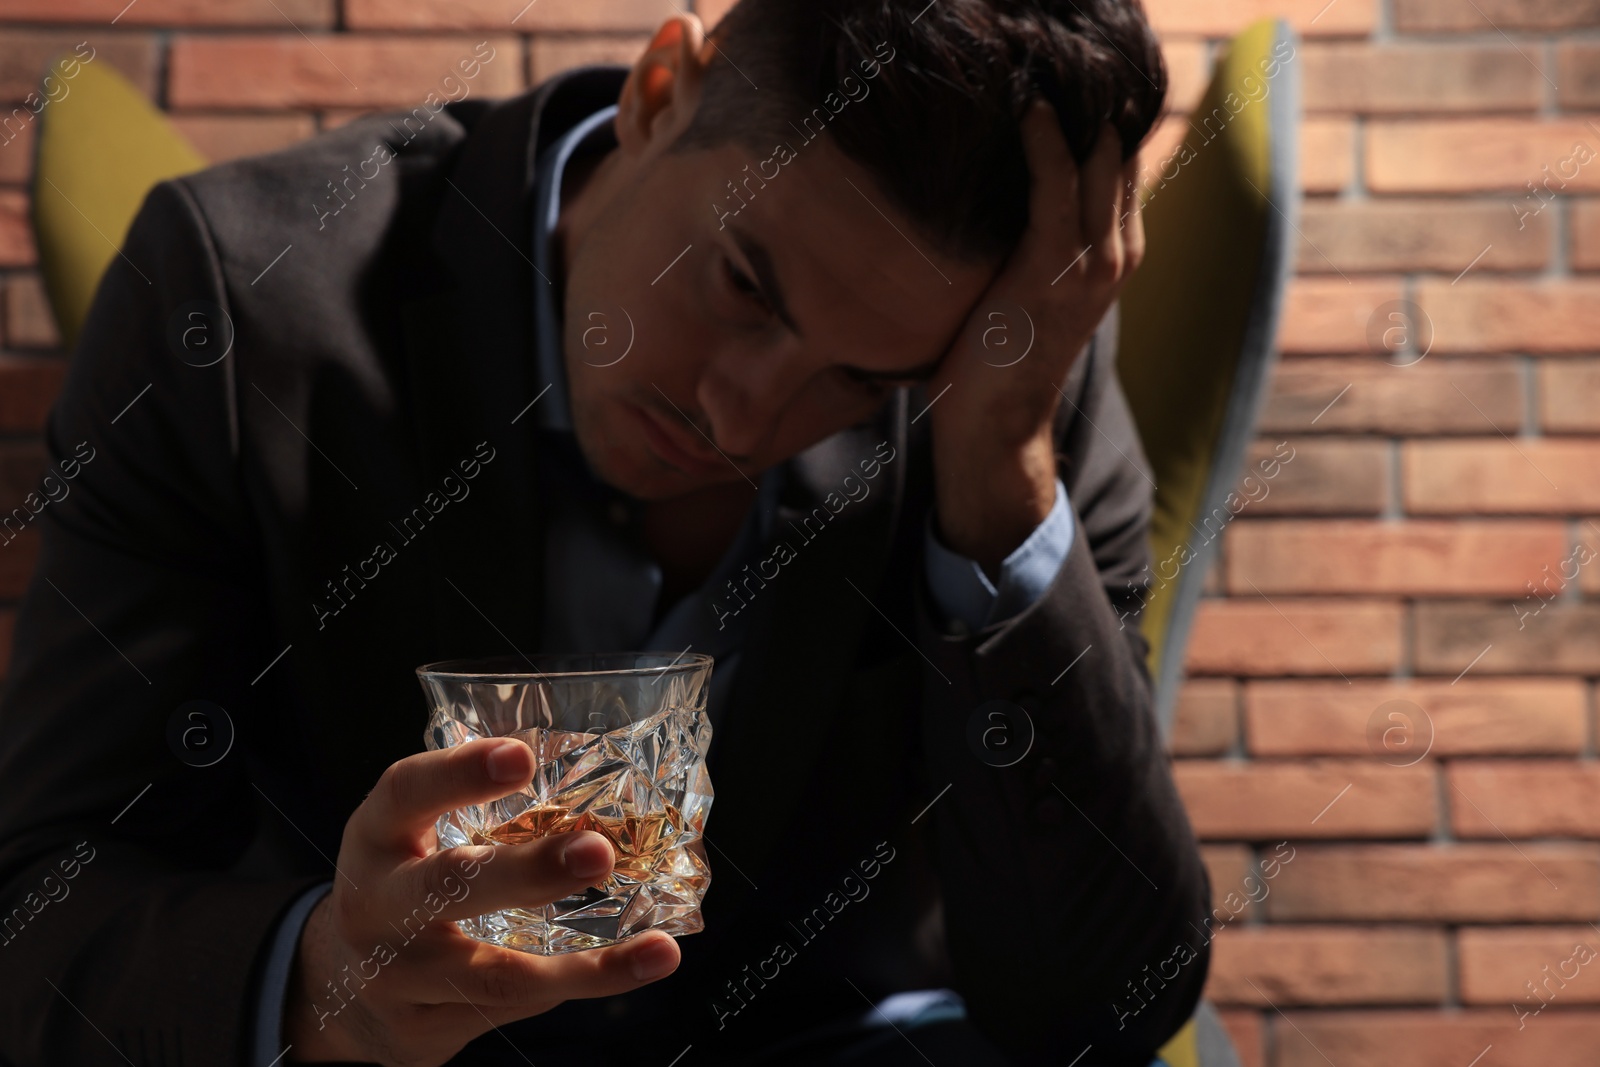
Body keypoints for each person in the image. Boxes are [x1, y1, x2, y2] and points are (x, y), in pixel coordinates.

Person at [0, 0, 1211, 1064]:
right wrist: (319, 983)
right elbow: (42, 912)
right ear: (657, 91)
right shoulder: (236, 299)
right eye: (741, 282)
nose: (744, 413)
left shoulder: (1006, 376)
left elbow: (1102, 1008)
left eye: (856, 377)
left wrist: (997, 480)